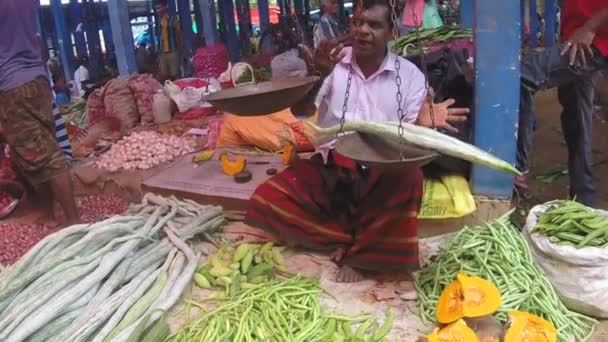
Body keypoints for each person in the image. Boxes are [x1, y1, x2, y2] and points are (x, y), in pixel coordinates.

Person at [245, 0, 468, 282]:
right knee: (268, 199)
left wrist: (423, 124)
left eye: (374, 25)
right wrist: (319, 74)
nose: (363, 30)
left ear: (392, 31)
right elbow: (300, 111)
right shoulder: (332, 64)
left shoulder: (409, 76)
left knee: (410, 179)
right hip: (333, 169)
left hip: (383, 171)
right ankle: (360, 240)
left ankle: (362, 256)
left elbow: (410, 140)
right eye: (358, 22)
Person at [515, 1, 608, 207]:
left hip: (593, 39)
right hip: (576, 38)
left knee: (522, 76)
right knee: (577, 121)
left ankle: (517, 169)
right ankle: (584, 201)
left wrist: (589, 28)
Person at [0, 0, 80, 226]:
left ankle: (73, 220)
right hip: (37, 80)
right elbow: (37, 42)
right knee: (35, 151)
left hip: (12, 85)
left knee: (46, 156)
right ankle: (51, 213)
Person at [156, 1, 183, 80]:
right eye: (156, 8)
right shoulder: (158, 21)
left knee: (174, 74)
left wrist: (180, 47)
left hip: (173, 51)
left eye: (159, 8)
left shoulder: (173, 19)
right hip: (163, 53)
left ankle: (176, 89)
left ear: (165, 7)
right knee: (164, 74)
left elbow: (179, 34)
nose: (158, 10)